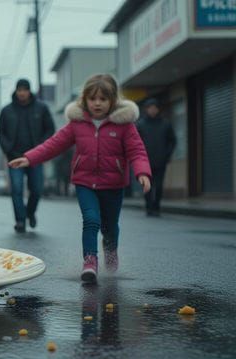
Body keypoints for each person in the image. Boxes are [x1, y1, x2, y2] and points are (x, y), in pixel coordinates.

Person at [11, 74, 151, 283]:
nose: (97, 103)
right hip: (85, 182)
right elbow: (53, 144)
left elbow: (137, 151)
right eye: (93, 99)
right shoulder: (77, 124)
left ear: (112, 101)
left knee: (110, 226)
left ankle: (110, 251)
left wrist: (142, 172)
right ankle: (90, 261)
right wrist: (29, 158)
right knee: (91, 220)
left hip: (113, 184)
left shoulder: (124, 125)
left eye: (103, 99)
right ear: (85, 99)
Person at [0, 78, 55, 234]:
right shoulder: (7, 110)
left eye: (25, 90)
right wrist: (8, 149)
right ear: (16, 91)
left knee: (36, 189)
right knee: (16, 189)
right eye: (19, 90)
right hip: (14, 157)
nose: (22, 93)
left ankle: (30, 212)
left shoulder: (41, 108)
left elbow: (50, 129)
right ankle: (20, 221)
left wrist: (42, 147)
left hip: (35, 157)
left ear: (29, 91)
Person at [135, 98, 176, 217]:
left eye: (155, 108)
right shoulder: (140, 125)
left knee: (158, 186)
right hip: (145, 162)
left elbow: (172, 141)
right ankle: (149, 207)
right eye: (150, 108)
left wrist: (167, 155)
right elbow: (135, 143)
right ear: (146, 109)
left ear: (158, 109)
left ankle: (156, 207)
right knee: (147, 185)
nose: (152, 110)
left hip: (160, 160)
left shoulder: (165, 124)